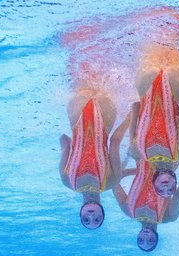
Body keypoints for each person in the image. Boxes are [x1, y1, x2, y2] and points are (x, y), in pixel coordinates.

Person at [59, 20, 132, 229]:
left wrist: (131, 116)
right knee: (80, 73)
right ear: (102, 212)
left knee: (103, 75)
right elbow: (65, 141)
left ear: (81, 213)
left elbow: (116, 141)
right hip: (77, 119)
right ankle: (78, 33)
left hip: (105, 122)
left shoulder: (110, 182)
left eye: (87, 219)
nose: (92, 216)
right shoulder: (68, 181)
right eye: (97, 219)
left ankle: (107, 32)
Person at [127, 11, 179, 199]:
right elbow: (135, 108)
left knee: (177, 40)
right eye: (170, 190)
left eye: (160, 190)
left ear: (153, 181)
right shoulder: (136, 152)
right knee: (153, 41)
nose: (165, 187)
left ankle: (178, 16)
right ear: (175, 181)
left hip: (175, 87)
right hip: (146, 86)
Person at [112, 160, 179, 251]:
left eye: (141, 240)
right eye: (150, 240)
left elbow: (114, 182)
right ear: (156, 236)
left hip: (156, 161)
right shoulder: (167, 216)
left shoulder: (128, 210)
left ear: (138, 236)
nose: (145, 236)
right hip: (155, 160)